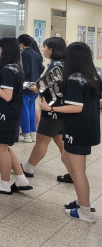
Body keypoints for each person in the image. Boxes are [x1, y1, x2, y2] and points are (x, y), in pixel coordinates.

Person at [40, 42, 101, 222]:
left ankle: (85, 211)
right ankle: (82, 200)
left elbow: (76, 108)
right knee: (66, 157)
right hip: (86, 127)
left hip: (78, 128)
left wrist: (50, 109)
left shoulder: (75, 78)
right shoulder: (93, 77)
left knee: (78, 171)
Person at [0, 37, 33, 195]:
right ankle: (21, 178)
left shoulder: (9, 69)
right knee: (4, 146)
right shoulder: (15, 66)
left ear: (5, 49)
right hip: (10, 111)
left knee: (0, 147)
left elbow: (7, 95)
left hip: (6, 112)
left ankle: (4, 183)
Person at [22, 37, 71, 182]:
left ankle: (28, 168)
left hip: (52, 109)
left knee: (42, 140)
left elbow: (40, 87)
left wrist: (30, 86)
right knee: (60, 140)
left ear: (51, 49)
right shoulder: (66, 64)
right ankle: (74, 172)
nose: (43, 49)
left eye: (44, 46)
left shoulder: (55, 66)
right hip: (63, 108)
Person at [18, 34, 44, 142]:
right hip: (35, 85)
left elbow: (26, 70)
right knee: (32, 109)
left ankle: (26, 134)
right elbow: (42, 68)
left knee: (25, 110)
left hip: (26, 86)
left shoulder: (24, 54)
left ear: (22, 44)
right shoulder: (37, 54)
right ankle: (33, 133)